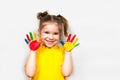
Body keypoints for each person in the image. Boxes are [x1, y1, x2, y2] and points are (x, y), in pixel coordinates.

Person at [24, 11, 79, 80]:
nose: (51, 37)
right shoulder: (35, 52)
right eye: (46, 32)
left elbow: (67, 73)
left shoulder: (63, 51)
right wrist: (32, 51)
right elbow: (30, 74)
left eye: (55, 33)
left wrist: (68, 52)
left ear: (60, 34)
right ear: (39, 32)